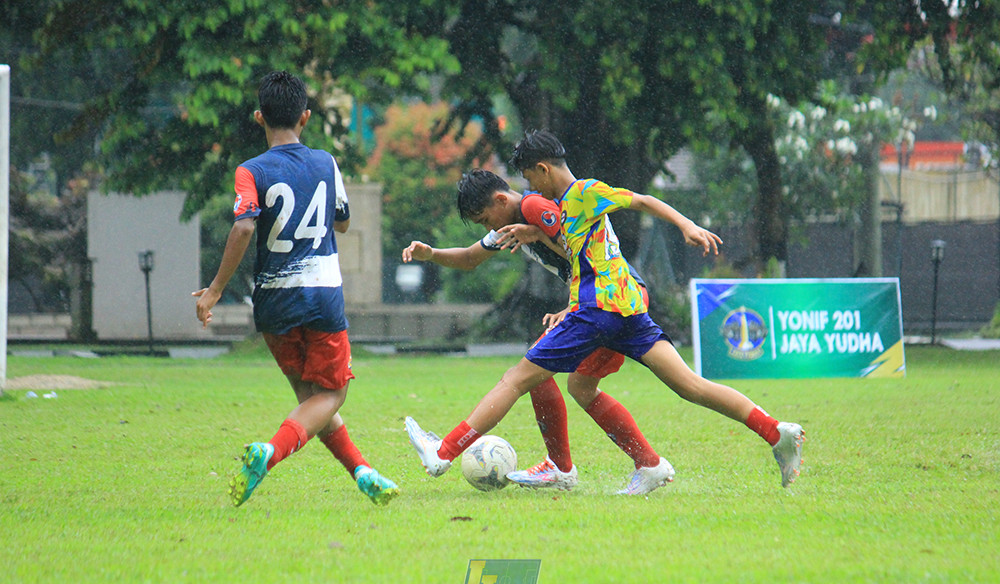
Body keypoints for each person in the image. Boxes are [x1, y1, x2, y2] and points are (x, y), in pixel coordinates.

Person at [405, 131, 804, 493]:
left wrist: (687, 225)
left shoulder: (559, 199)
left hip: (600, 304)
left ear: (540, 171)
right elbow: (478, 256)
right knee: (676, 386)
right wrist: (432, 254)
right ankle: (770, 434)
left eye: (529, 177)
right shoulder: (540, 209)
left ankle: (444, 452)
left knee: (516, 378)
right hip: (623, 304)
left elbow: (625, 210)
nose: (529, 188)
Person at [194, 70, 399, 507]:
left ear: (258, 117)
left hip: (272, 301)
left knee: (309, 399)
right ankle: (268, 455)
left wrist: (214, 290)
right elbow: (341, 221)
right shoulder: (325, 162)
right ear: (305, 117)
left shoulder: (250, 171)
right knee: (332, 394)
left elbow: (246, 225)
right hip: (321, 292)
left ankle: (362, 472)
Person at [402, 168, 670, 491]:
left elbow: (580, 246)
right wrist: (431, 254)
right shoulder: (510, 221)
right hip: (605, 299)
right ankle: (643, 464)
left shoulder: (533, 208)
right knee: (571, 384)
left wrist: (574, 305)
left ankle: (445, 452)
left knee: (525, 374)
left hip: (613, 299)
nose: (489, 228)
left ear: (501, 200)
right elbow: (471, 258)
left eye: (487, 219)